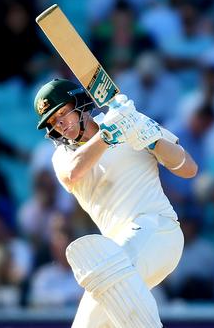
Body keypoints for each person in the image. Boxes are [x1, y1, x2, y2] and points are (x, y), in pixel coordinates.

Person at [33, 79, 197, 327]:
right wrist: (107, 136)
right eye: (54, 122)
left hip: (159, 230)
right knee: (92, 322)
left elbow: (189, 169)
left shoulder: (129, 121)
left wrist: (152, 139)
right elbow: (73, 174)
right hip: (121, 252)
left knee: (103, 280)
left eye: (62, 114)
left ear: (79, 104)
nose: (61, 125)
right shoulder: (63, 157)